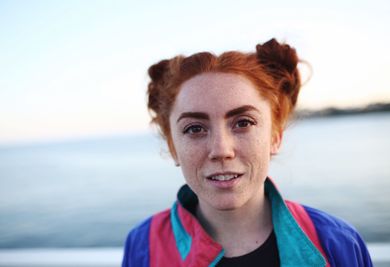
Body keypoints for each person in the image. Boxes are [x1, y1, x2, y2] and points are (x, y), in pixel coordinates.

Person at [122, 39, 373, 266]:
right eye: (195, 128)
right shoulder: (143, 246)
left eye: (243, 123)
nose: (221, 150)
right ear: (172, 147)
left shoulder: (338, 244)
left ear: (275, 137)